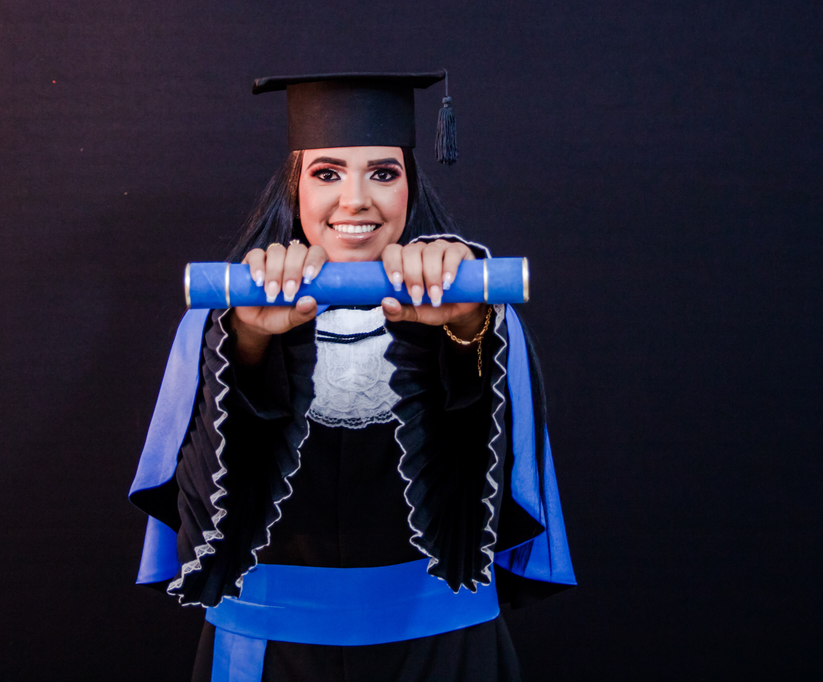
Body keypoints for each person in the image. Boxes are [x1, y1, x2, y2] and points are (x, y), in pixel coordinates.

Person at [129, 71, 575, 682]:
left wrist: (465, 331)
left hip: (445, 656)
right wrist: (253, 342)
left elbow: (488, 517)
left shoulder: (478, 307)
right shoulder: (225, 320)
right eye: (327, 173)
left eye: (383, 173)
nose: (356, 200)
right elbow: (203, 533)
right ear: (295, 187)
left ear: (410, 186)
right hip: (268, 661)